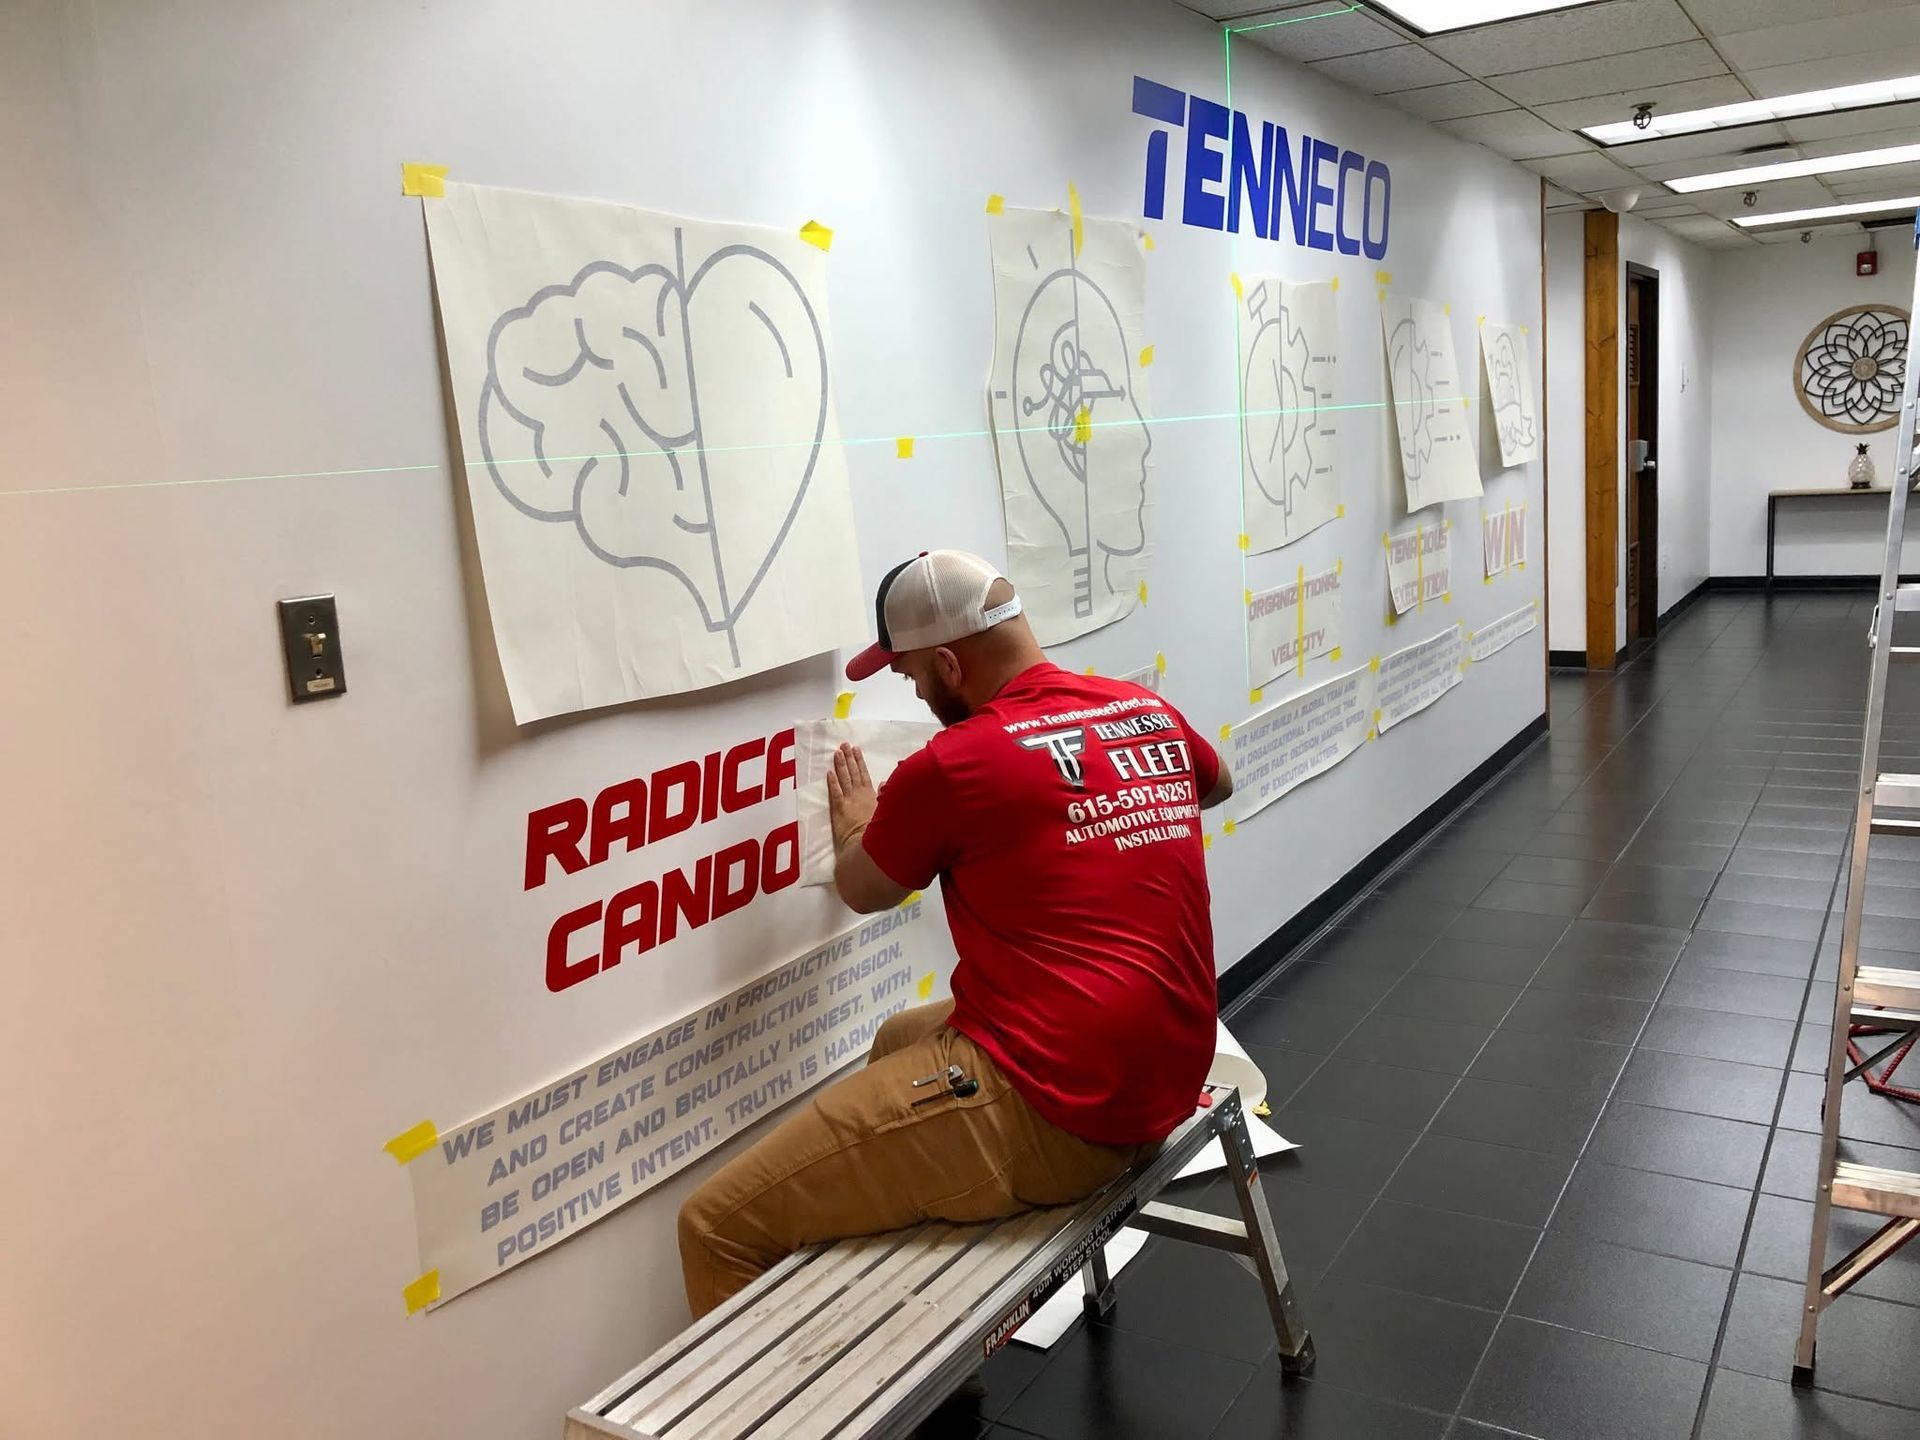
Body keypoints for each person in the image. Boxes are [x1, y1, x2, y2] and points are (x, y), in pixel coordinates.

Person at [677, 549, 1233, 1319]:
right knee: (897, 1040)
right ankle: (938, 1373)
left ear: (949, 663)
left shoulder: (957, 761)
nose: (914, 692)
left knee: (713, 1226)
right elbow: (1217, 782)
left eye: (911, 678)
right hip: (1167, 1074)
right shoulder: (1142, 710)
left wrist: (857, 826)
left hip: (1066, 1111)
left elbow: (863, 888)